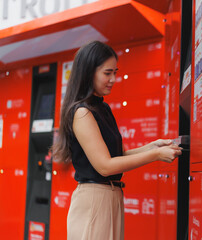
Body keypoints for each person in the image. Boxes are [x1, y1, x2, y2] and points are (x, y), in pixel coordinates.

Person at [51, 40, 182, 240]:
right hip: (94, 201)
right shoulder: (82, 113)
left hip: (110, 197)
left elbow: (118, 156)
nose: (113, 79)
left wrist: (153, 146)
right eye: (107, 73)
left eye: (115, 72)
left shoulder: (102, 109)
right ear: (89, 72)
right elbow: (105, 166)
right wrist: (155, 155)